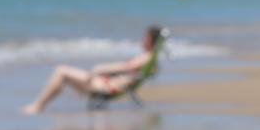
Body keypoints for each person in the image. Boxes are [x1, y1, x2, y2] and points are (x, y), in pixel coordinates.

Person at [22, 26, 163, 114]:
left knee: (60, 71)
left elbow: (126, 67)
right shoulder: (150, 58)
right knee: (62, 73)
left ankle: (38, 106)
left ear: (151, 41)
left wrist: (100, 68)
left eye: (145, 37)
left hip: (104, 86)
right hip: (106, 83)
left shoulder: (146, 57)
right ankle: (39, 105)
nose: (142, 39)